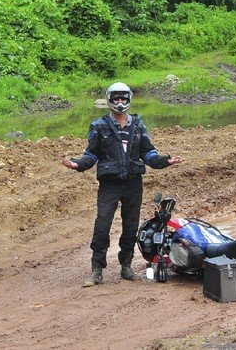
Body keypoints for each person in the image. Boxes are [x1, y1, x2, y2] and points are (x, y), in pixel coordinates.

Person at [62, 82, 184, 287]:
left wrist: (166, 161)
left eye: (123, 99)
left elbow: (149, 153)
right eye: (116, 99)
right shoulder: (98, 126)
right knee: (102, 225)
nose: (120, 103)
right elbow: (91, 155)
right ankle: (97, 270)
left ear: (129, 99)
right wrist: (77, 164)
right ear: (109, 100)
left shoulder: (138, 125)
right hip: (109, 185)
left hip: (133, 184)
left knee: (130, 226)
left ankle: (126, 266)